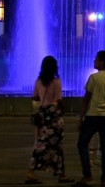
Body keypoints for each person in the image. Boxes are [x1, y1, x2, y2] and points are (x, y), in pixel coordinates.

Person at [26, 55, 74, 184]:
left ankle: (31, 172)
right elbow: (59, 100)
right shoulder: (56, 81)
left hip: (42, 115)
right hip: (54, 116)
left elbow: (35, 98)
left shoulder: (38, 81)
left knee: (40, 144)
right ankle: (61, 174)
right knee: (57, 146)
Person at [76, 50, 105, 187]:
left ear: (102, 62)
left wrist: (81, 118)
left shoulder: (93, 78)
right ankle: (104, 178)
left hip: (93, 117)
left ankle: (87, 174)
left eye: (96, 59)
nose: (94, 61)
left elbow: (86, 99)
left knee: (82, 144)